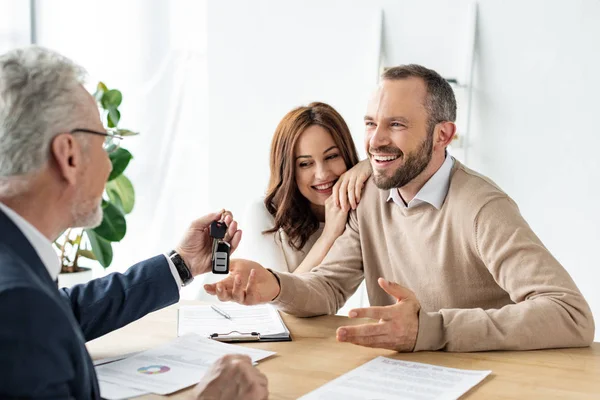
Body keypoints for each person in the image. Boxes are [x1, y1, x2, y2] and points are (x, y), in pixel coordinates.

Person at [206, 64, 595, 353]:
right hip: (403, 378)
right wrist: (274, 285)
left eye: (396, 125)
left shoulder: (482, 207)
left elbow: (571, 315)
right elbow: (327, 288)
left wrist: (432, 329)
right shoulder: (370, 196)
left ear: (442, 135)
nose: (376, 140)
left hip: (487, 378)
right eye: (371, 123)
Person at [0, 46, 267, 399]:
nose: (110, 166)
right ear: (68, 155)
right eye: (103, 143)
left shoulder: (17, 276)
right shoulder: (17, 305)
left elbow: (66, 312)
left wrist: (182, 264)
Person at [233, 102, 371, 276]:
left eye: (332, 156)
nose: (322, 174)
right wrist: (329, 234)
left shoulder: (362, 206)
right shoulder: (264, 214)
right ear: (288, 170)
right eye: (305, 164)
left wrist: (371, 165)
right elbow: (275, 300)